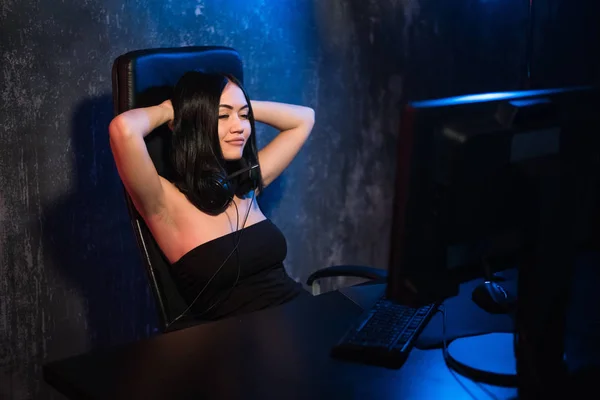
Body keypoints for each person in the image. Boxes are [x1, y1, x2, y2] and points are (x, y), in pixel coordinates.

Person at [109, 71, 315, 321]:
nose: (239, 127)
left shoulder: (243, 185)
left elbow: (304, 118)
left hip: (303, 316)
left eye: (244, 116)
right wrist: (175, 110)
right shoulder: (164, 201)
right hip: (244, 347)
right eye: (222, 116)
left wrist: (239, 103)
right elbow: (123, 130)